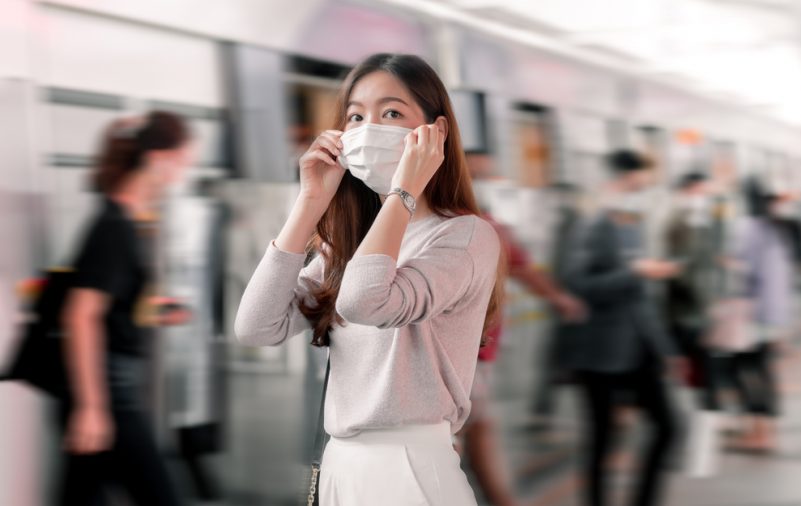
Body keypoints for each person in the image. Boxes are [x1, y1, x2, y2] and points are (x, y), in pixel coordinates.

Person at [234, 53, 502, 505]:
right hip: (342, 466)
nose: (368, 127)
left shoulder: (465, 236)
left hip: (410, 469)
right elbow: (256, 327)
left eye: (392, 112)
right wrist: (310, 203)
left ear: (435, 134)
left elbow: (366, 303)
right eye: (356, 115)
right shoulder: (352, 241)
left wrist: (403, 192)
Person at [59, 111, 194, 505]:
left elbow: (113, 307)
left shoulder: (125, 221)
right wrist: (92, 408)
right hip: (110, 397)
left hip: (111, 393)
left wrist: (156, 311)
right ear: (157, 158)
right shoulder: (114, 226)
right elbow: (81, 315)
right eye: (183, 159)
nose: (184, 170)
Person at [460, 151, 584, 506]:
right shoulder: (482, 227)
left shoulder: (488, 225)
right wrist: (561, 300)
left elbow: (522, 268)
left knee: (476, 426)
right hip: (464, 352)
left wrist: (560, 299)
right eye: (478, 174)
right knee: (465, 430)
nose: (486, 180)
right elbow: (524, 270)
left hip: (474, 352)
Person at [558, 149, 681, 506]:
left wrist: (665, 349)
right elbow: (577, 283)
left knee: (669, 427)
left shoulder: (633, 225)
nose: (640, 191)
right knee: (602, 440)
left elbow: (643, 300)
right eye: (634, 184)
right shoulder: (593, 225)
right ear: (614, 182)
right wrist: (635, 272)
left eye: (643, 186)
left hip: (638, 348)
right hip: (599, 351)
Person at [725, 179, 797, 452]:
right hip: (775, 314)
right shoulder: (778, 229)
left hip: (753, 313)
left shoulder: (749, 228)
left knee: (744, 368)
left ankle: (756, 433)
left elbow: (743, 270)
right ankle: (767, 432)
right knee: (764, 370)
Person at [664, 171, 723, 410]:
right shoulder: (680, 220)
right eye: (702, 190)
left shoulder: (702, 220)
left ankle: (702, 416)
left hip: (695, 308)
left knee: (701, 369)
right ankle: (696, 415)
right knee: (693, 368)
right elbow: (682, 267)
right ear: (689, 190)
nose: (706, 196)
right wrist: (707, 304)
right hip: (686, 310)